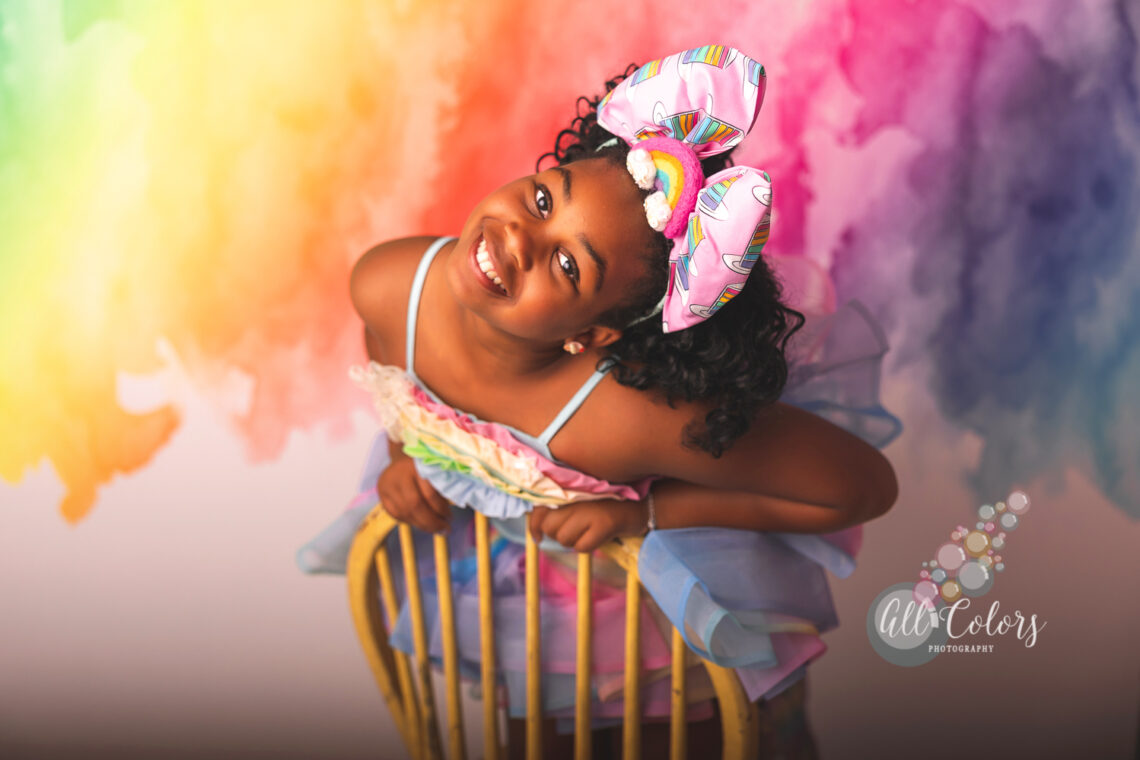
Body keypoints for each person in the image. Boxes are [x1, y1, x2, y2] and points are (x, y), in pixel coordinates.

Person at [298, 44, 902, 759]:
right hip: (524, 633)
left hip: (664, 662)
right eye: (546, 198)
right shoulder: (389, 285)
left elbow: (859, 487)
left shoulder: (629, 419)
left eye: (566, 263)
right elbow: (389, 354)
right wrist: (406, 447)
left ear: (593, 334)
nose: (520, 234)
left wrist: (645, 513)